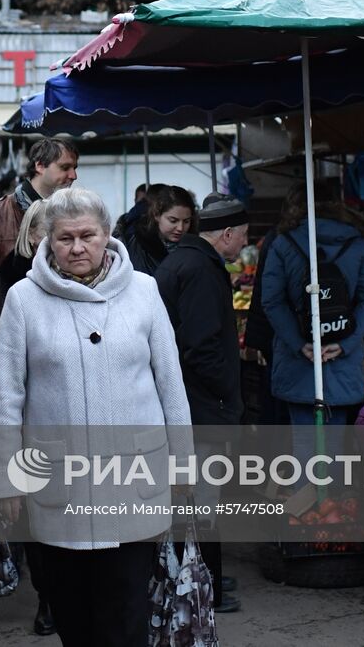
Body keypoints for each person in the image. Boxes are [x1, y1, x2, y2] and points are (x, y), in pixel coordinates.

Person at [0, 188, 192, 647]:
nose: (77, 248)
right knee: (75, 619)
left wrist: (183, 466)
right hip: (59, 483)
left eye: (87, 236)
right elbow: (3, 397)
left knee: (127, 618)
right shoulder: (24, 299)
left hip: (134, 479)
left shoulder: (143, 291)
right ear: (47, 240)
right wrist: (4, 481)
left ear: (107, 235)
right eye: (65, 238)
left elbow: (170, 385)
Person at [153, 192, 250, 614]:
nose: (244, 245)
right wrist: (227, 393)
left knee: (194, 497)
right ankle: (200, 588)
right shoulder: (200, 270)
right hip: (199, 406)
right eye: (243, 237)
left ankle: (199, 580)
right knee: (201, 501)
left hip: (191, 402)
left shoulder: (187, 261)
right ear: (226, 234)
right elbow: (201, 346)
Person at [0, 199, 53, 635]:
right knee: (33, 515)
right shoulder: (5, 284)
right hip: (20, 418)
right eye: (50, 235)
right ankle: (48, 597)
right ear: (32, 235)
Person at [0, 138, 78, 387]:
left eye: (74, 167)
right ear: (40, 166)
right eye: (65, 167)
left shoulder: (75, 214)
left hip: (60, 343)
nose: (73, 175)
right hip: (5, 337)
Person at [260, 180, 364, 438]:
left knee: (305, 445)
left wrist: (298, 343)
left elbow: (272, 301)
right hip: (342, 360)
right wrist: (345, 343)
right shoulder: (358, 243)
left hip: (298, 361)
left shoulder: (284, 244)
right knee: (334, 446)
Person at [124, 185, 196, 277]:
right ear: (157, 215)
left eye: (186, 221)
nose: (180, 228)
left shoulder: (194, 246)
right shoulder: (137, 245)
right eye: (173, 221)